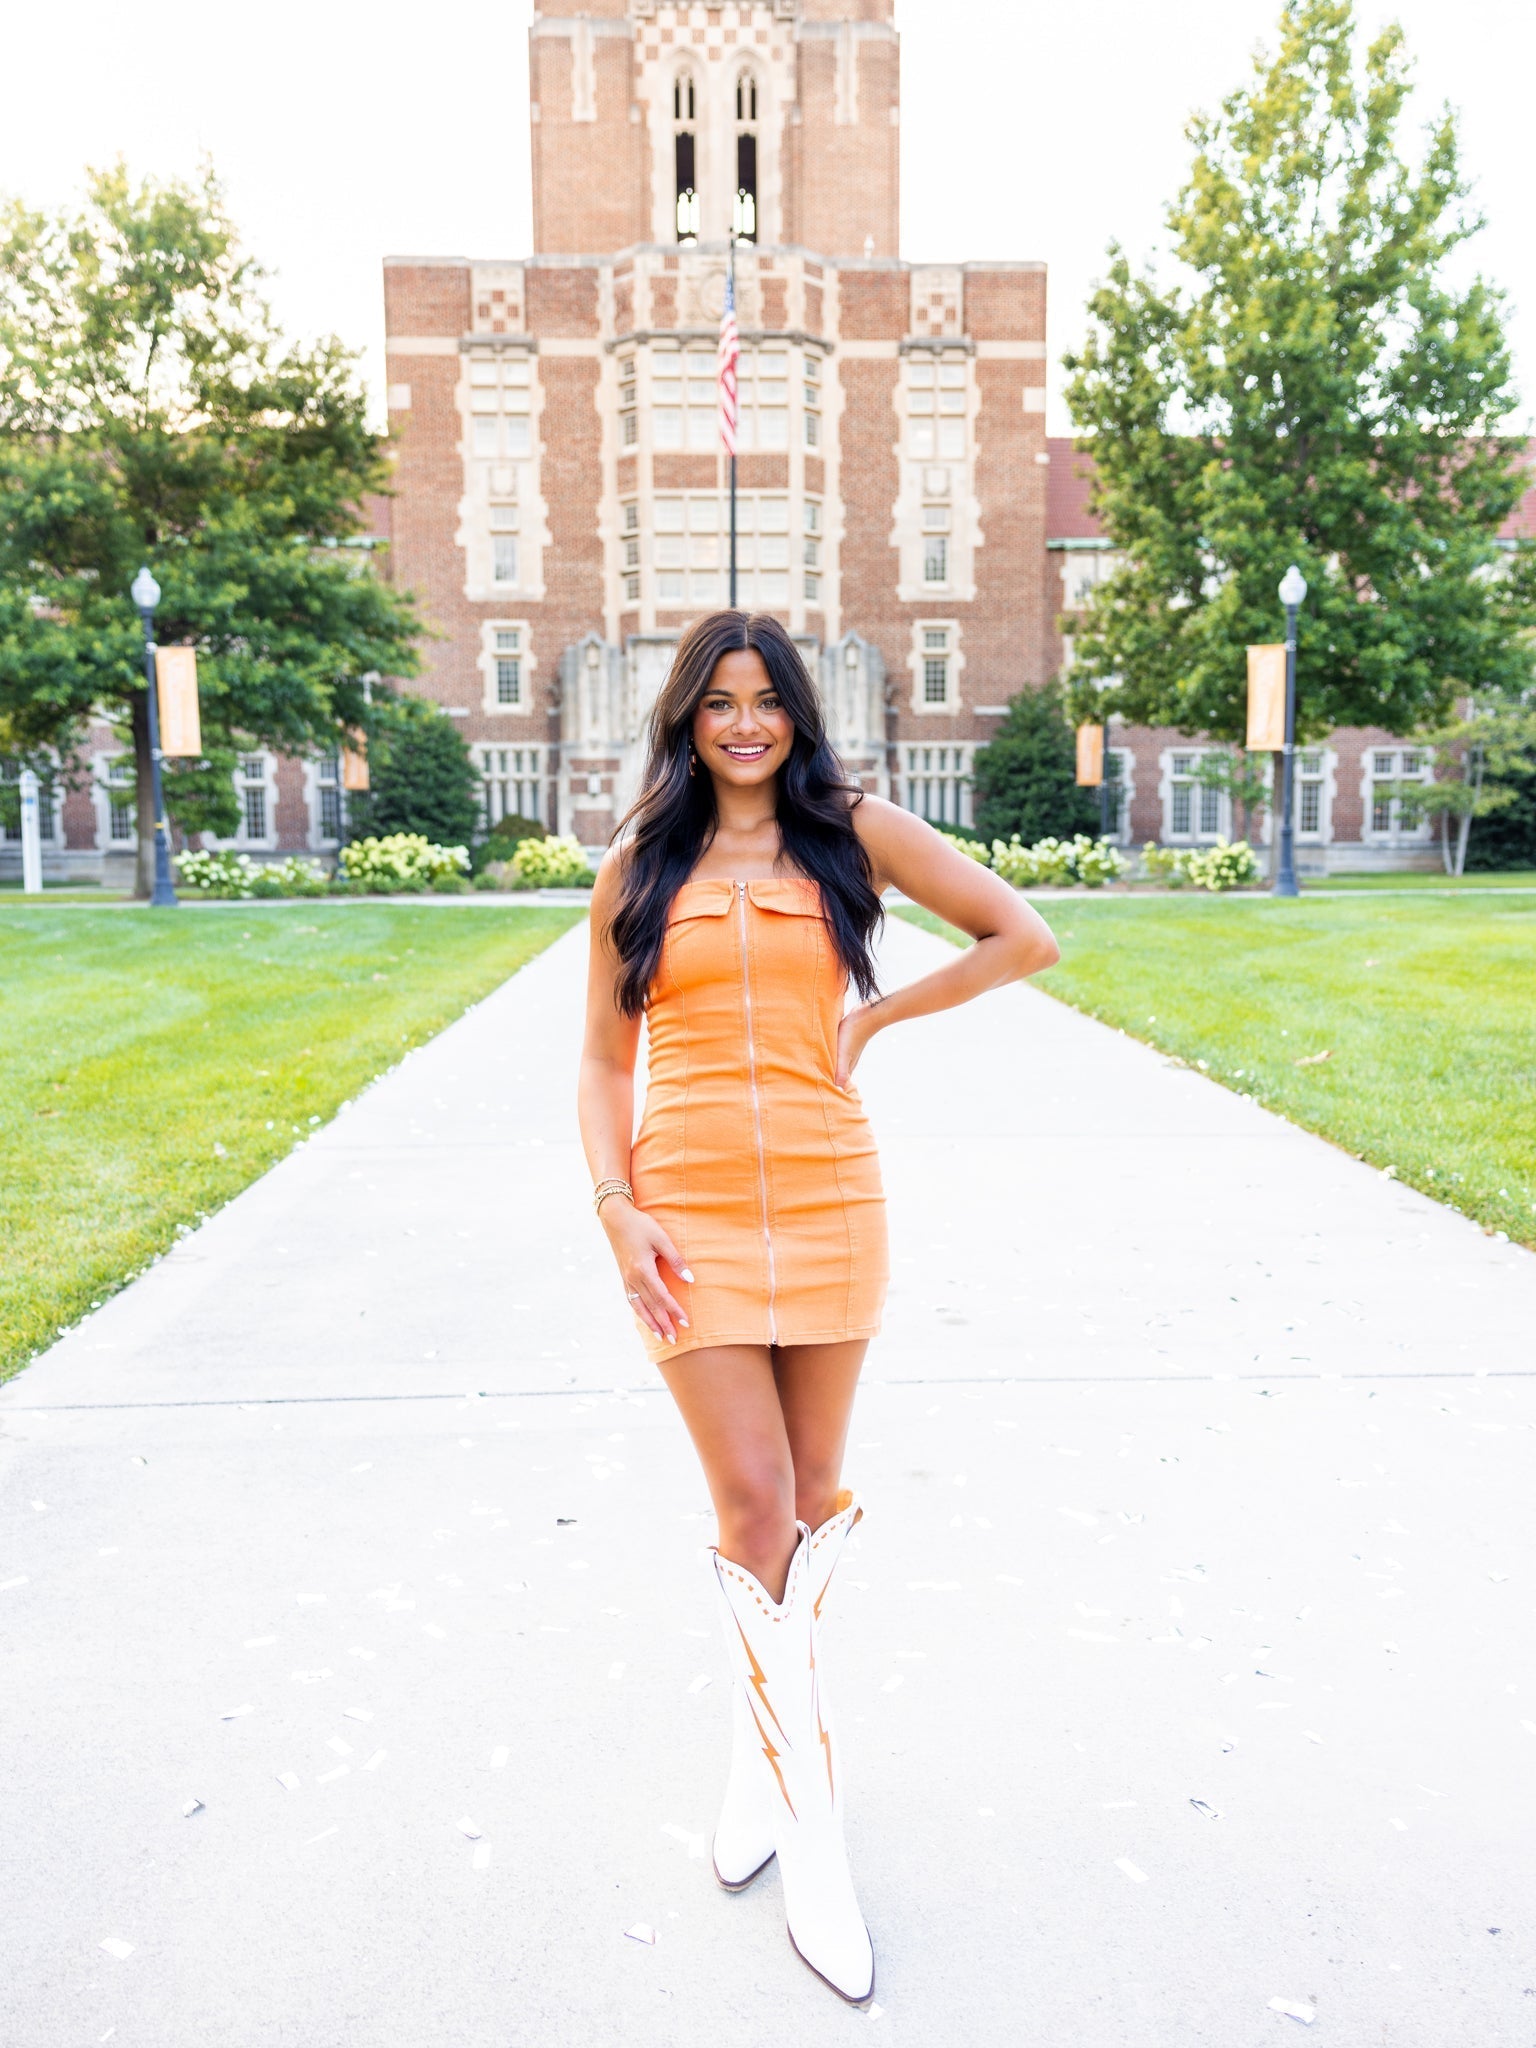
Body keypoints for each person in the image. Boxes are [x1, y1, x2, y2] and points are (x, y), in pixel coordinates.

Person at [577, 611, 1058, 2005]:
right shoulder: (639, 862)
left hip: (834, 1197)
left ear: (797, 713)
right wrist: (617, 1206)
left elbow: (1023, 936)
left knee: (817, 1497)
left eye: (765, 700)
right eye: (718, 702)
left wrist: (874, 1020)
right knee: (752, 1500)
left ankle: (753, 1756)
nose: (743, 724)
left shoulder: (853, 830)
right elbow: (605, 1063)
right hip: (689, 1210)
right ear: (687, 717)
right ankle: (814, 1834)